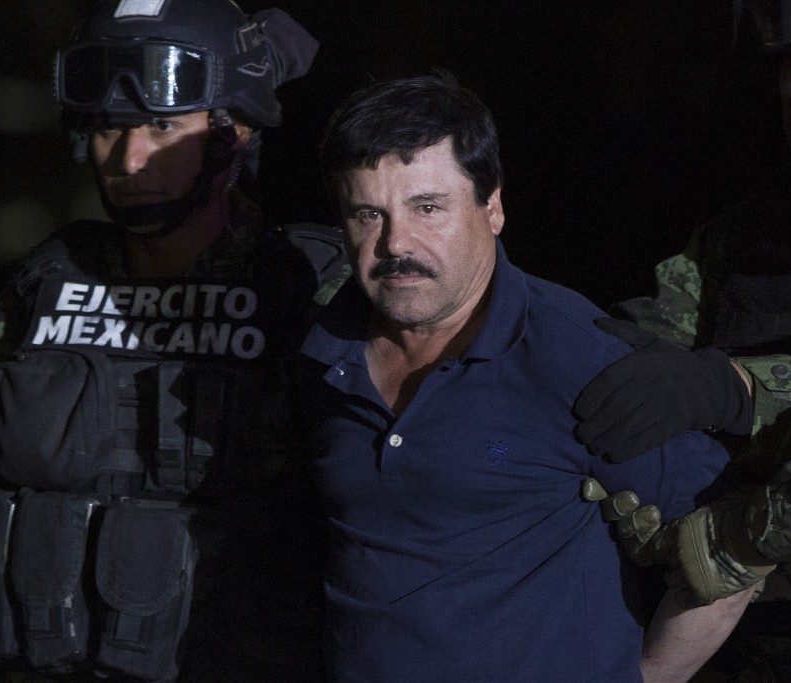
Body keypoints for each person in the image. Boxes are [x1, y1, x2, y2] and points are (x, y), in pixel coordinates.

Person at [0, 1, 343, 680]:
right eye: (110, 128)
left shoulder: (311, 289)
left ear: (233, 132)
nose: (131, 158)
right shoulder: (46, 282)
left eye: (163, 126)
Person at [293, 72, 749, 682]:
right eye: (368, 215)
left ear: (492, 208)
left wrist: (645, 677)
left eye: (428, 207)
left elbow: (739, 542)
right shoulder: (323, 352)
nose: (396, 242)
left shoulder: (575, 357)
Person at [573, 0, 791, 676]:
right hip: (722, 628)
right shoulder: (756, 228)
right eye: (789, 62)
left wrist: (731, 389)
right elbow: (654, 328)